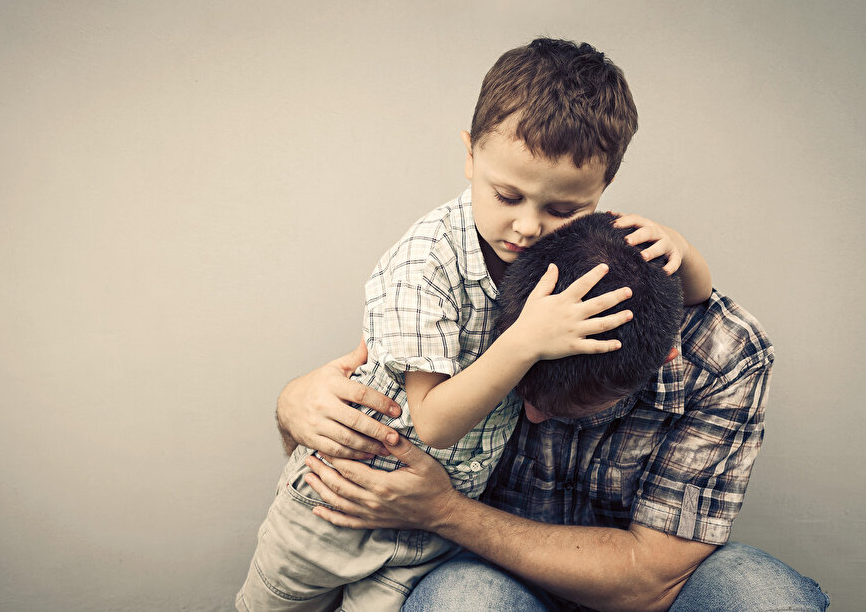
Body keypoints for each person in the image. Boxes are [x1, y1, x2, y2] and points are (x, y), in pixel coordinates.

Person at [236, 38, 714, 611]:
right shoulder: (425, 263)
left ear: (601, 192)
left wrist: (679, 250)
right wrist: (525, 342)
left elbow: (699, 297)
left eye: (563, 210)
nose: (529, 226)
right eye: (507, 195)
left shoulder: (575, 252)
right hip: (334, 505)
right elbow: (434, 421)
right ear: (469, 156)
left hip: (428, 531)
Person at [292, 217, 830, 610]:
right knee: (462, 604)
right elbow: (380, 410)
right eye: (520, 390)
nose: (530, 416)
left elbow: (650, 577)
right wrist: (295, 405)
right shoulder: (480, 286)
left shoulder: (727, 355)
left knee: (766, 600)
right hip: (495, 576)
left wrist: (442, 511)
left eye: (562, 409)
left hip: (649, 592)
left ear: (661, 357)